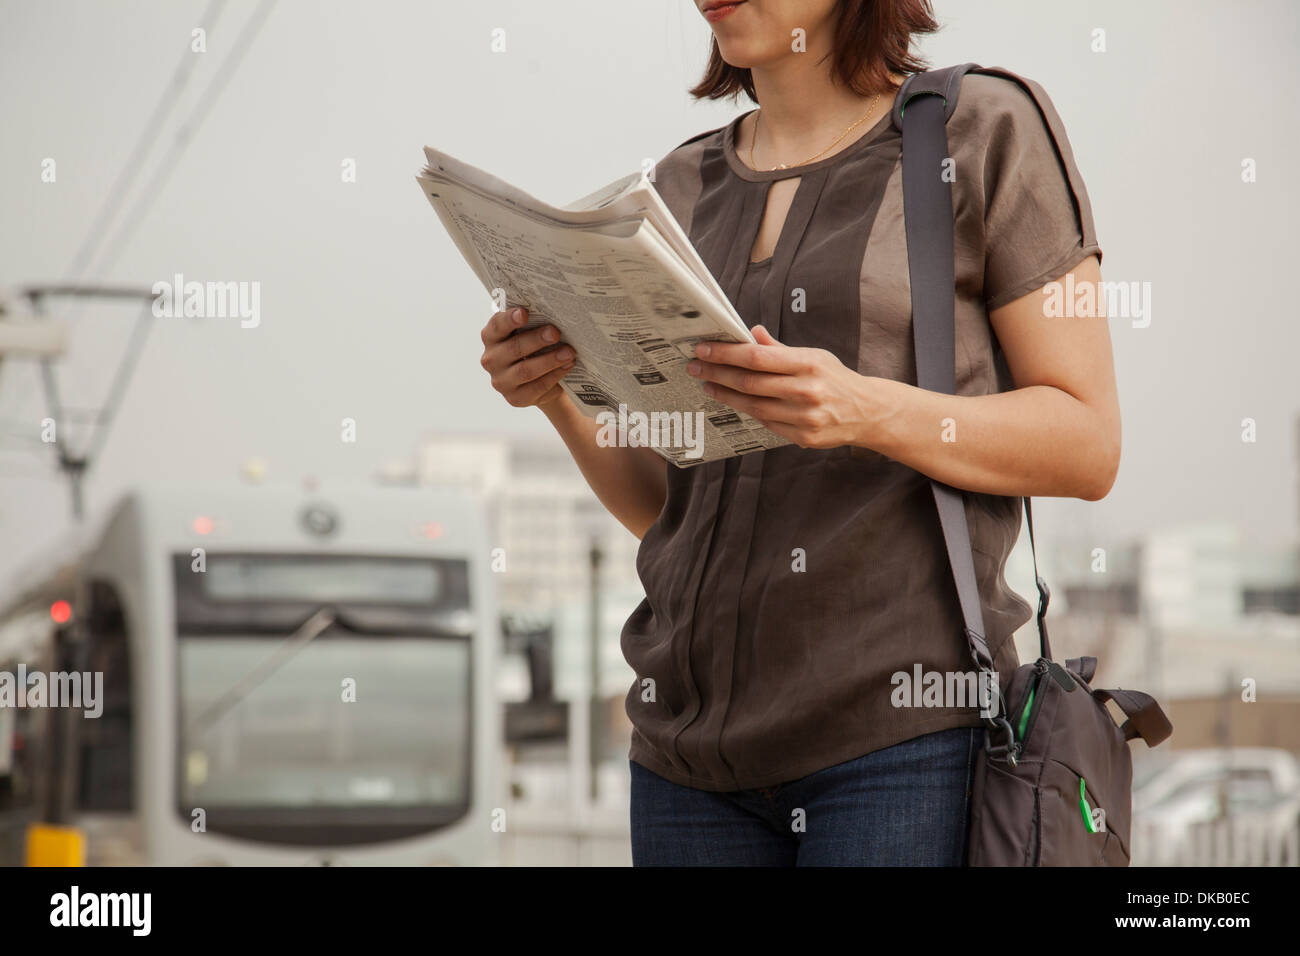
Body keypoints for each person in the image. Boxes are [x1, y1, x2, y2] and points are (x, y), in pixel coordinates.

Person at [477, 0, 1117, 866]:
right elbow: (666, 508)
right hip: (681, 761)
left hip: (903, 743)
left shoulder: (980, 130)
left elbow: (1087, 441)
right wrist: (556, 393)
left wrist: (866, 409)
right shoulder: (676, 189)